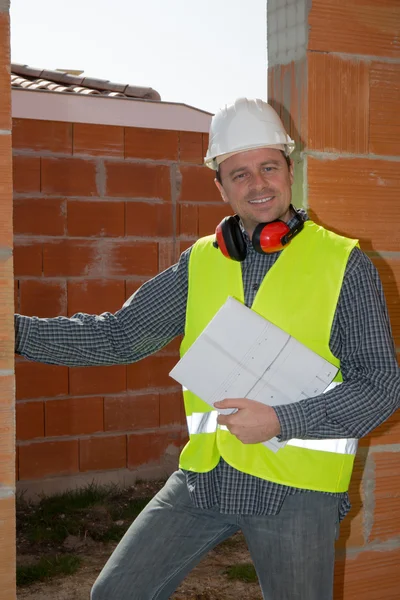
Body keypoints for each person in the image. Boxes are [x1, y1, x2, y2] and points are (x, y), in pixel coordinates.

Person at [15, 98, 400, 600]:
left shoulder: (345, 265)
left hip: (297, 492)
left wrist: (281, 421)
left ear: (289, 170)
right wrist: (13, 332)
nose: (257, 184)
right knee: (114, 593)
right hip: (206, 478)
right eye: (239, 174)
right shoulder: (199, 262)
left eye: (268, 167)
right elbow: (120, 335)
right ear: (220, 187)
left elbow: (381, 389)